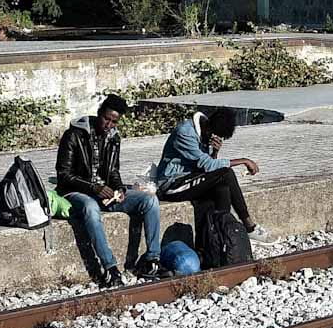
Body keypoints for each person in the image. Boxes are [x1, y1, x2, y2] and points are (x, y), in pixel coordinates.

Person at [55, 95, 163, 287]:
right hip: (77, 191)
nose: (109, 125)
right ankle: (110, 268)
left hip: (105, 193)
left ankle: (152, 259)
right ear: (99, 114)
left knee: (150, 201)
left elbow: (113, 171)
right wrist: (93, 187)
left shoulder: (114, 138)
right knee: (90, 209)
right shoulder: (74, 135)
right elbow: (64, 175)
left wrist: (119, 188)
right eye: (107, 119)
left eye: (114, 121)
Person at [153, 106, 275, 244]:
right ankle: (249, 226)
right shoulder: (185, 133)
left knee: (222, 188)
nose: (217, 138)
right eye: (216, 135)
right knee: (227, 173)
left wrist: (214, 151)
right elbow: (208, 165)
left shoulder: (205, 132)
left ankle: (223, 235)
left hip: (191, 179)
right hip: (172, 184)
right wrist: (244, 161)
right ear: (208, 129)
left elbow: (208, 166)